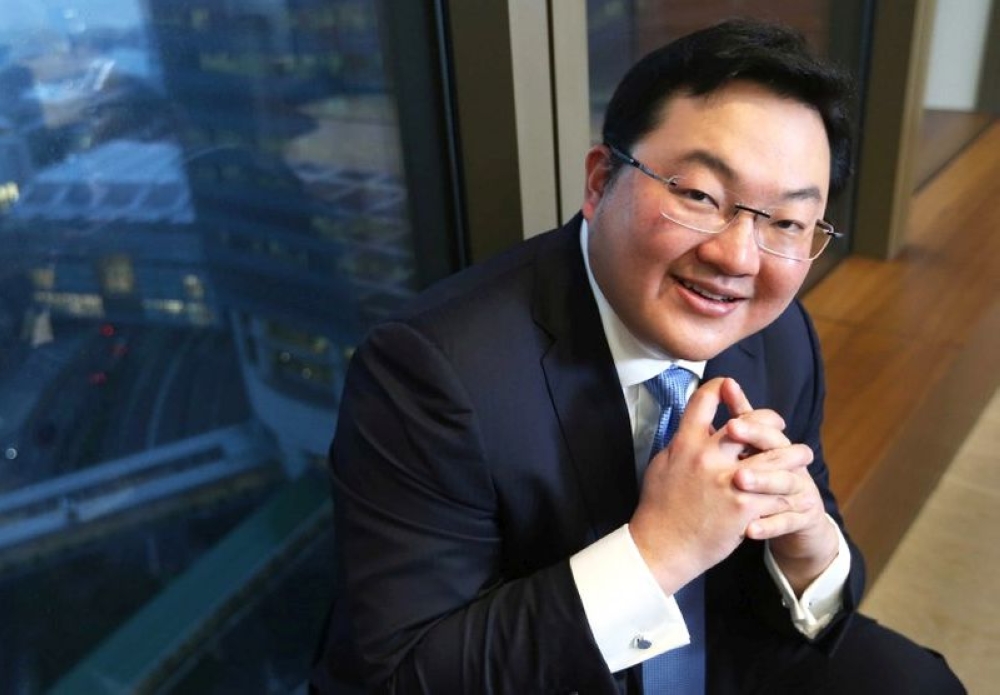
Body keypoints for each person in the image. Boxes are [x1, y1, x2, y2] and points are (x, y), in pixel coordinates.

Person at [310, 18, 965, 694]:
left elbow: (819, 583)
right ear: (601, 182)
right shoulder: (433, 371)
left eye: (787, 222)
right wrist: (661, 550)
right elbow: (402, 675)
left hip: (722, 645)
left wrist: (810, 549)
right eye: (700, 196)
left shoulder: (780, 333)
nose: (738, 259)